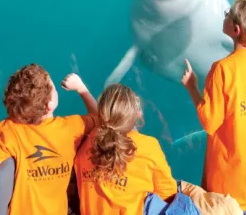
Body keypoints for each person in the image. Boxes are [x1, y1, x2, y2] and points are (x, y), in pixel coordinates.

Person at [0, 64, 98, 215]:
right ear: (50, 104)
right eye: (52, 87)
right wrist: (81, 89)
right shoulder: (72, 128)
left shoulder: (10, 129)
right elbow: (99, 119)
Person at [181, 0, 246, 212]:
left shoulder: (222, 69)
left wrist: (192, 87)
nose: (225, 17)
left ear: (236, 30)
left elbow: (209, 123)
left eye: (228, 15)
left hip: (229, 181)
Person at [74, 83, 177, 215]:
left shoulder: (87, 141)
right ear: (138, 113)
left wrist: (82, 90)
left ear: (100, 114)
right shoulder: (148, 147)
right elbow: (168, 193)